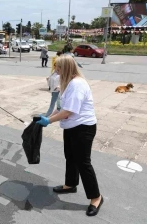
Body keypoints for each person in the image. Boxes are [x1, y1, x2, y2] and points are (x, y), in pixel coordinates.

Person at [36, 55, 103, 217]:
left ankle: (96, 197)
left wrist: (49, 121)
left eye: (58, 68)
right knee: (70, 157)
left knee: (83, 162)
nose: (56, 71)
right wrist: (48, 117)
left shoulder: (77, 84)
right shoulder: (67, 83)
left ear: (65, 68)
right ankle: (71, 184)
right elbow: (61, 107)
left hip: (83, 128)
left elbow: (68, 111)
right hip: (72, 127)